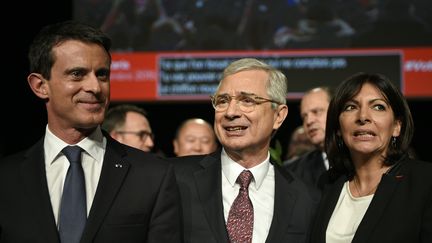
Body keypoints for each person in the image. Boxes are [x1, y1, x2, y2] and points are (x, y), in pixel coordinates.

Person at [0, 21, 182, 242]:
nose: (95, 88)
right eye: (77, 74)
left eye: (102, 74)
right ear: (40, 86)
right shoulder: (6, 178)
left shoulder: (153, 175)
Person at [172, 58, 318, 243]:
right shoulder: (173, 179)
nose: (231, 112)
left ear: (278, 115)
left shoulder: (307, 198)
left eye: (247, 100)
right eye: (222, 101)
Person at [310, 72, 432, 243]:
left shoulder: (425, 181)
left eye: (378, 107)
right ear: (338, 128)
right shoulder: (327, 184)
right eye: (351, 107)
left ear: (397, 126)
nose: (363, 117)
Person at [284, 87, 332, 188]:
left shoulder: (360, 160)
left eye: (316, 112)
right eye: (304, 116)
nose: (309, 121)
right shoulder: (291, 173)